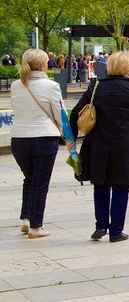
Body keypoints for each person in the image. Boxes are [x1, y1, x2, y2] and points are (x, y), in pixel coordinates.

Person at [70, 51, 129, 243]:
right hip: (126, 146)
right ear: (127, 68)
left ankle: (100, 225)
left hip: (98, 144)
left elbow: (76, 112)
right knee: (121, 186)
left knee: (100, 184)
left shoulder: (96, 86)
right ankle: (116, 231)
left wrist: (72, 140)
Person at [9, 49, 65, 239]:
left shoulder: (16, 85)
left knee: (29, 179)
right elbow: (60, 114)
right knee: (40, 183)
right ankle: (36, 226)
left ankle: (26, 218)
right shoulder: (51, 86)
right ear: (42, 65)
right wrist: (68, 137)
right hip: (43, 137)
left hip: (18, 139)